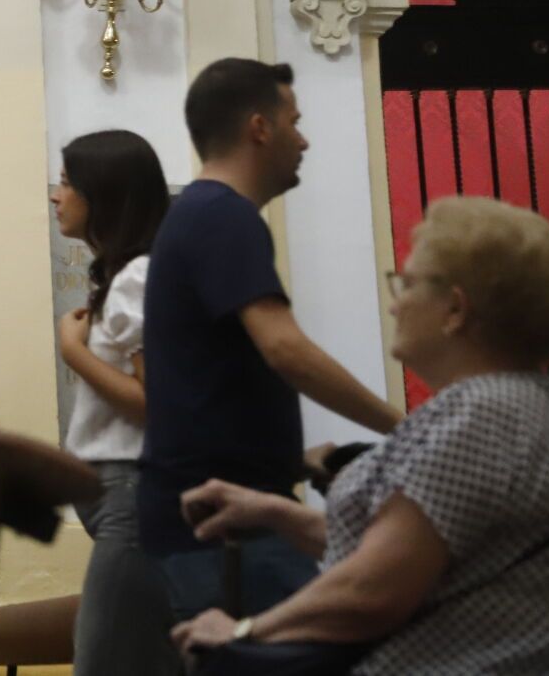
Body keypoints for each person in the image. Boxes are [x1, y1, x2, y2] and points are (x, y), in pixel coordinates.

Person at [172, 197, 549, 674]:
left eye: (407, 283)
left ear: (454, 308)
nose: (395, 303)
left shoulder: (483, 414)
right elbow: (426, 550)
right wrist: (276, 514)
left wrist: (244, 632)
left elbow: (374, 590)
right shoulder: (544, 408)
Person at [139, 59, 405, 619]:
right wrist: (408, 429)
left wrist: (291, 457)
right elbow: (286, 351)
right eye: (295, 121)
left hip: (223, 514)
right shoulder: (223, 217)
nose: (304, 139)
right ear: (260, 127)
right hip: (229, 529)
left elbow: (212, 377)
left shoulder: (201, 214)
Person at [51, 131, 181, 676]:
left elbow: (157, 405)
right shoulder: (122, 275)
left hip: (133, 493)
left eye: (65, 182)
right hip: (119, 497)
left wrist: (72, 352)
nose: (56, 196)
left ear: (101, 194)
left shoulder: (138, 278)